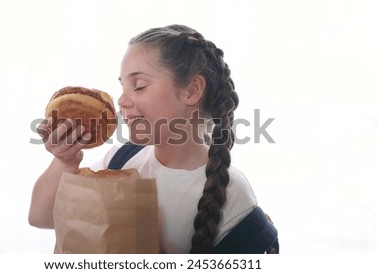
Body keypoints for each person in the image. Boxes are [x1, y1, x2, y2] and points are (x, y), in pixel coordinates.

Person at [29, 24, 278, 254]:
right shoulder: (121, 158)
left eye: (138, 86)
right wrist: (65, 161)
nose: (122, 101)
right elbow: (42, 218)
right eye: (122, 87)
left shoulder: (233, 196)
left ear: (192, 91)